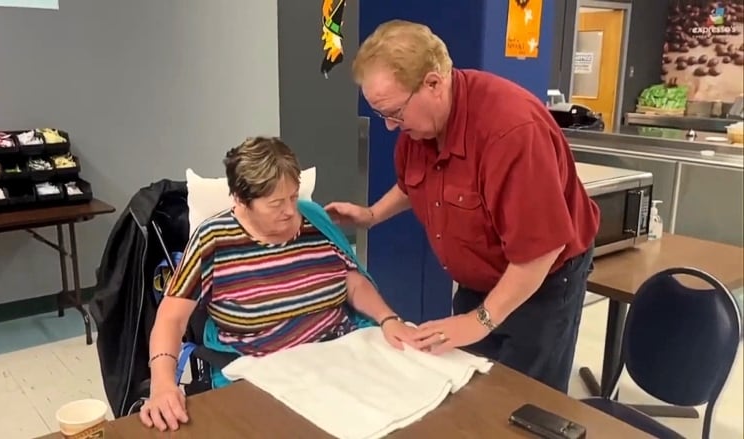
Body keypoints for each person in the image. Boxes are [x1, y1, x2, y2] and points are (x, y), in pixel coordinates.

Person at [325, 20, 600, 393]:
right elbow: (415, 184)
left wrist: (480, 319)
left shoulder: (510, 132)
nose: (390, 127)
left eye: (395, 112)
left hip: (542, 281)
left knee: (525, 398)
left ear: (434, 83)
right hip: (481, 277)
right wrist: (372, 215)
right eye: (381, 115)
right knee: (469, 387)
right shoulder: (421, 126)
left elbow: (541, 249)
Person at [140, 136, 417, 432]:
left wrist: (389, 319)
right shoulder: (213, 240)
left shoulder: (313, 220)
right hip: (265, 374)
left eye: (293, 197)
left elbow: (351, 281)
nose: (290, 211)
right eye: (275, 203)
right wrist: (162, 385)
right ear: (240, 200)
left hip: (339, 357)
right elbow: (171, 318)